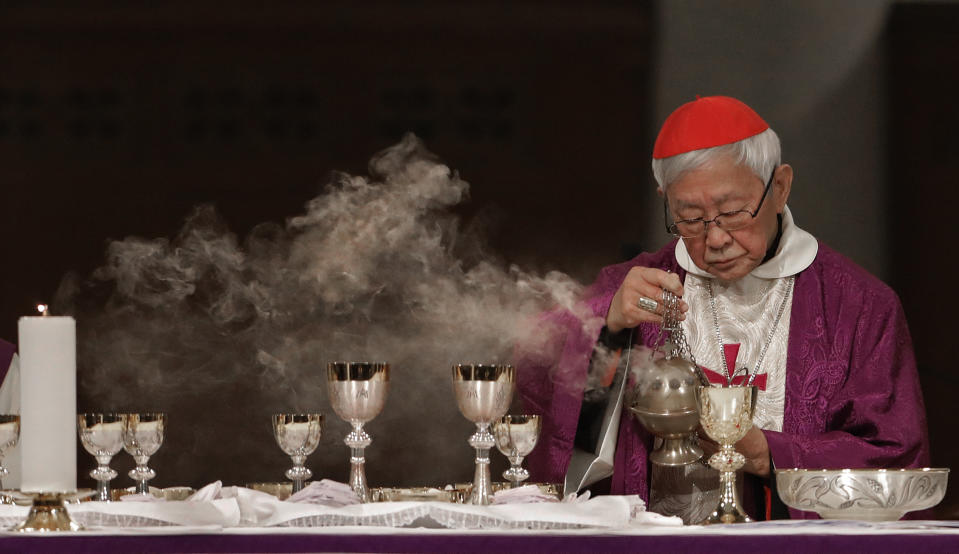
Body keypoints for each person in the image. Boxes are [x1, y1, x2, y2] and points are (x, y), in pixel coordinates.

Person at [516, 95, 930, 521]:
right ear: (666, 199)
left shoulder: (858, 305)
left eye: (733, 213)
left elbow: (894, 459)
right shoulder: (634, 289)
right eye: (690, 218)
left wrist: (769, 454)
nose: (714, 240)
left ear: (780, 186)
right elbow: (533, 361)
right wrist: (609, 328)